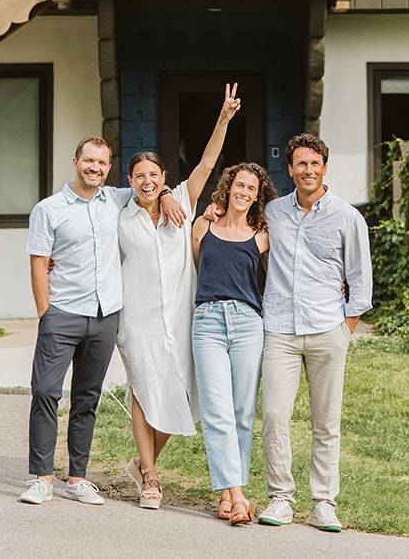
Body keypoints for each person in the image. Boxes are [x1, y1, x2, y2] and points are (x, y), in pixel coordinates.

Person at [19, 136, 184, 506]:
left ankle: (77, 477)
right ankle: (42, 477)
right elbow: (37, 264)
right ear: (75, 160)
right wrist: (45, 313)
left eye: (102, 163)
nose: (95, 167)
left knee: (86, 398)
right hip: (62, 313)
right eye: (88, 161)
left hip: (105, 315)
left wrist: (169, 192)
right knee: (45, 391)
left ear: (110, 168)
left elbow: (150, 185)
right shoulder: (49, 209)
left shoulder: (116, 198)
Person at [117, 84, 241, 510]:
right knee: (144, 390)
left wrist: (223, 118)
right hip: (137, 318)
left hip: (183, 316)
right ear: (129, 182)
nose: (148, 182)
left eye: (155, 176)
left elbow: (208, 161)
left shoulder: (185, 200)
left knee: (187, 399)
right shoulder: (120, 215)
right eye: (139, 176)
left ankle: (140, 461)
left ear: (165, 177)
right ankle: (151, 478)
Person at [256, 133, 372, 533]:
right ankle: (281, 498)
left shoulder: (346, 217)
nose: (307, 170)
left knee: (326, 422)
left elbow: (360, 280)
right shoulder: (272, 212)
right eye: (300, 164)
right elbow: (230, 220)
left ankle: (323, 502)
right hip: (280, 331)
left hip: (327, 330)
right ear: (290, 169)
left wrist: (345, 328)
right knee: (274, 415)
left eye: (314, 163)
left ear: (325, 167)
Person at [191, 161, 276, 526]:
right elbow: (194, 267)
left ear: (257, 197)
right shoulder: (202, 225)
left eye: (251, 189)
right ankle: (239, 495)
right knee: (216, 410)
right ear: (228, 187)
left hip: (247, 324)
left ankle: (228, 495)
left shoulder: (262, 236)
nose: (244, 192)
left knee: (242, 413)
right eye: (239, 185)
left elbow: (280, 278)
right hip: (208, 321)